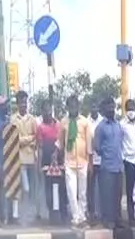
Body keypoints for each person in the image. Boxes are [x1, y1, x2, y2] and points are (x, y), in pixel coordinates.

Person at [58, 95, 92, 227]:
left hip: (83, 161)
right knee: (71, 192)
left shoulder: (85, 122)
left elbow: (89, 143)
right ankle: (76, 218)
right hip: (69, 161)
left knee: (82, 191)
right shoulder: (64, 122)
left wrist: (89, 162)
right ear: (68, 107)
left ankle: (82, 217)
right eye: (70, 106)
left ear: (78, 106)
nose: (73, 108)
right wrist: (58, 157)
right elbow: (60, 142)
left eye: (75, 106)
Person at [94, 96, 124, 229]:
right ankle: (107, 220)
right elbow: (97, 147)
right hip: (107, 167)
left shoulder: (118, 125)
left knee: (117, 196)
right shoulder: (100, 127)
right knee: (107, 196)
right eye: (109, 107)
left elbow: (120, 143)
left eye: (113, 106)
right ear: (104, 110)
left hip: (118, 167)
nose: (111, 109)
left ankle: (117, 219)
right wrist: (106, 153)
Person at [37, 102, 67, 224]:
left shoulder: (58, 125)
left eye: (49, 110)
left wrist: (59, 156)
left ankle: (64, 214)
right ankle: (52, 215)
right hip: (46, 160)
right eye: (45, 111)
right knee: (48, 189)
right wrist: (39, 164)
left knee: (62, 188)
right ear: (42, 112)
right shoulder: (40, 127)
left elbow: (61, 142)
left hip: (59, 160)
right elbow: (39, 146)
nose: (48, 113)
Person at [10, 90, 38, 222]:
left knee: (32, 188)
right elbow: (15, 139)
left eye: (25, 102)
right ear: (17, 104)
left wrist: (27, 139)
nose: (23, 105)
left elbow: (36, 137)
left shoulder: (32, 119)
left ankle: (31, 214)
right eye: (21, 103)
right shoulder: (13, 119)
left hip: (31, 158)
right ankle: (18, 214)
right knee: (23, 188)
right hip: (18, 158)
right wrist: (29, 139)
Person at [0, 96, 17, 225]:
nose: (6, 108)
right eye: (3, 106)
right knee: (2, 187)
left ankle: (11, 216)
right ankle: (2, 217)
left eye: (7, 105)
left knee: (11, 187)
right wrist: (4, 129)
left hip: (11, 158)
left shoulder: (10, 120)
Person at [87, 102, 104, 224]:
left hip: (102, 159)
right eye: (92, 106)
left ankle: (101, 212)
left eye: (95, 106)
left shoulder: (102, 122)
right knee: (90, 188)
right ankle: (91, 212)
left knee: (102, 188)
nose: (94, 108)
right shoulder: (86, 122)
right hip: (89, 160)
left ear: (98, 108)